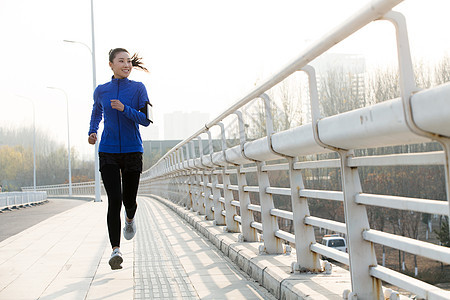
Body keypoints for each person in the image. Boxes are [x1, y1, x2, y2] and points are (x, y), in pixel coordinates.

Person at [88, 48, 151, 270]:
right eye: (121, 61)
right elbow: (96, 112)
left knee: (129, 200)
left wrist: (125, 109)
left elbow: (145, 120)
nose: (126, 65)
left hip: (133, 150)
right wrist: (92, 131)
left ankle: (130, 219)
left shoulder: (138, 89)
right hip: (108, 151)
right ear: (111, 65)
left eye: (128, 62)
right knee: (114, 199)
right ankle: (115, 250)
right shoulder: (101, 91)